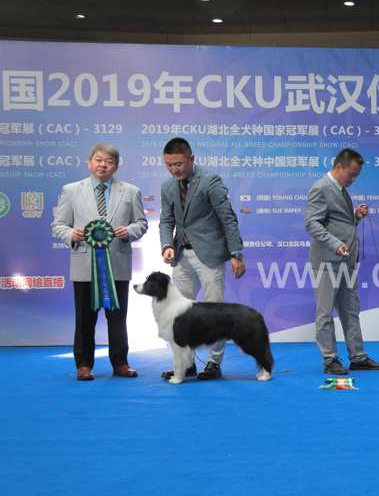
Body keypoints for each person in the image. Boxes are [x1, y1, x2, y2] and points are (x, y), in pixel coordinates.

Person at [52, 143, 148, 380]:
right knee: (84, 319)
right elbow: (58, 224)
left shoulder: (131, 191)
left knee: (118, 319)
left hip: (118, 264)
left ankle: (121, 363)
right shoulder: (71, 190)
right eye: (98, 160)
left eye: (109, 161)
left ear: (116, 166)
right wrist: (70, 234)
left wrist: (129, 231)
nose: (103, 165)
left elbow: (141, 223)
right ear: (89, 162)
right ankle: (84, 365)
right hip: (84, 264)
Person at [159, 137, 245, 381]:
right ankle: (186, 364)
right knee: (180, 314)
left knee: (215, 312)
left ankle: (214, 364)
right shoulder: (167, 187)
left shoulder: (210, 181)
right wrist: (167, 245)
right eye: (169, 165)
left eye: (178, 164)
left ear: (191, 158)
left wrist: (236, 253)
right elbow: (166, 220)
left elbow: (228, 218)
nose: (174, 169)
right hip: (181, 256)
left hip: (210, 255)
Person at [304, 147, 379, 374]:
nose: (354, 179)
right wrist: (334, 244)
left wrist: (355, 217)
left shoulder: (341, 190)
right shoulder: (321, 188)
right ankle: (330, 360)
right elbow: (311, 223)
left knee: (351, 311)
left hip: (346, 262)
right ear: (339, 166)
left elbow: (337, 222)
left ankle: (357, 357)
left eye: (357, 175)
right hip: (327, 262)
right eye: (352, 174)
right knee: (325, 314)